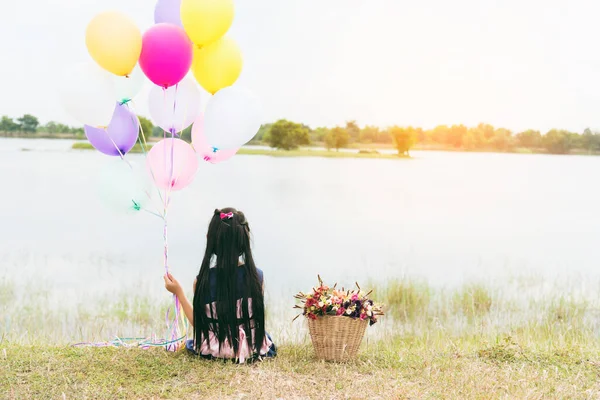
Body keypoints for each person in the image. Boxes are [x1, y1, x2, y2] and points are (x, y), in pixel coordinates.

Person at [164, 208, 276, 363]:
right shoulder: (257, 277)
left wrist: (179, 293)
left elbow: (199, 324)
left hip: (216, 349)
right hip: (250, 347)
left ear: (210, 240)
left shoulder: (202, 281)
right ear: (245, 240)